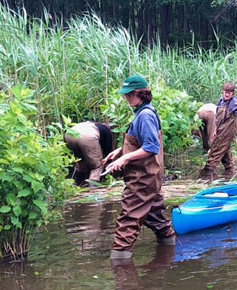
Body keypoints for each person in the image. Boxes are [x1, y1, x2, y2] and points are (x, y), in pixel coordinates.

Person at [103, 74, 175, 259]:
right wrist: (120, 151)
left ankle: (119, 264)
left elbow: (151, 147)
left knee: (128, 220)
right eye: (125, 94)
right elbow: (142, 140)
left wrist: (124, 159)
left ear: (141, 93)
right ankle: (170, 251)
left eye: (129, 94)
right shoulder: (144, 112)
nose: (126, 97)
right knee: (157, 218)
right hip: (151, 176)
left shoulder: (145, 115)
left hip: (142, 179)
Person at [199, 82, 237, 178]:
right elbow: (217, 118)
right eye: (225, 92)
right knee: (225, 152)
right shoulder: (220, 101)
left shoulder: (235, 102)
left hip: (227, 132)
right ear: (222, 91)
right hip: (219, 130)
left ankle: (207, 173)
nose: (227, 94)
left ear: (232, 93)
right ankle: (229, 173)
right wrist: (215, 130)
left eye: (229, 93)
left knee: (215, 151)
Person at [65, 121, 113, 186]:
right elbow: (108, 149)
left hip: (69, 135)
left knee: (80, 161)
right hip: (87, 136)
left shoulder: (90, 124)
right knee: (97, 166)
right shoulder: (106, 129)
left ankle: (77, 183)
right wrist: (108, 163)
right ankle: (92, 187)